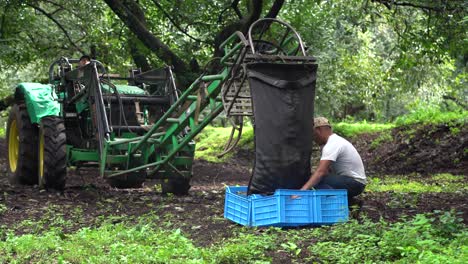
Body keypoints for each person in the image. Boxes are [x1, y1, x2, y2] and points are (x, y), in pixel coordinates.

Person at [300, 117, 366, 199]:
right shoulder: (335, 141)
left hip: (355, 183)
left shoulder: (332, 144)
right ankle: (348, 202)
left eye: (313, 135)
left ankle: (331, 203)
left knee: (318, 181)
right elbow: (327, 171)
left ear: (318, 130)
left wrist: (302, 191)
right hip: (352, 182)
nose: (314, 139)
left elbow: (321, 172)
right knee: (317, 180)